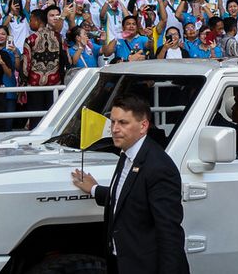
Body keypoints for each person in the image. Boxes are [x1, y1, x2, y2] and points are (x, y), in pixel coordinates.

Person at [71, 95, 190, 274]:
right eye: (112, 122)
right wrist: (95, 189)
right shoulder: (127, 154)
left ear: (143, 126)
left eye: (123, 123)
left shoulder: (159, 167)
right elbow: (128, 198)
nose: (115, 129)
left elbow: (169, 233)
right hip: (122, 263)